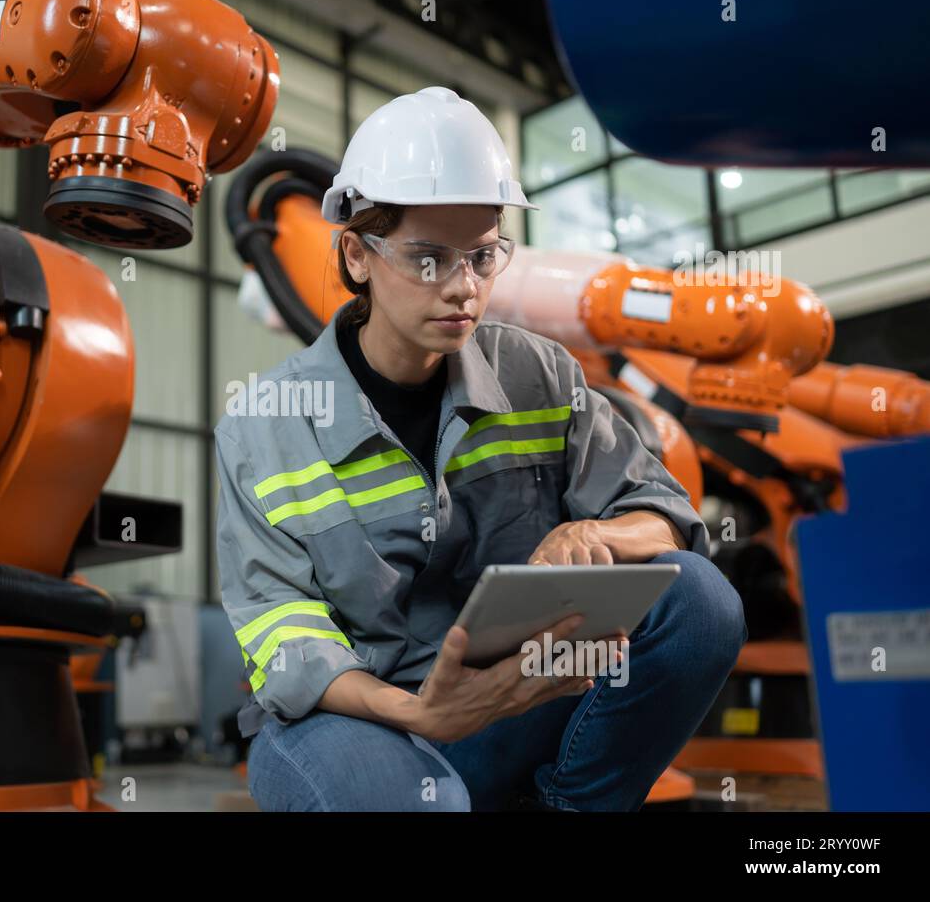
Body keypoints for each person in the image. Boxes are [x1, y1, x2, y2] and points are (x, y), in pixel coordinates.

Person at [214, 87, 746, 811]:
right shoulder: (264, 424)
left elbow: (663, 512)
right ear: (356, 255)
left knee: (699, 602)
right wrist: (421, 713)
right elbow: (283, 634)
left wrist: (597, 532)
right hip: (356, 723)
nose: (465, 288)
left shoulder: (541, 375)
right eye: (429, 259)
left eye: (484, 255)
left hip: (511, 700)